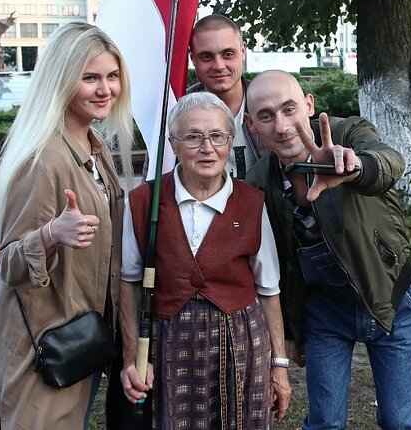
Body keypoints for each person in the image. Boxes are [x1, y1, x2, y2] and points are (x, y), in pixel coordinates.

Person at [0, 22, 134, 429]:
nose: (105, 89)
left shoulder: (95, 147)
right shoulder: (45, 159)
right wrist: (49, 235)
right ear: (62, 81)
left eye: (112, 76)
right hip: (39, 348)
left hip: (79, 339)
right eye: (90, 78)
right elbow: (8, 262)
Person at [244, 70, 411, 430]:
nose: (281, 126)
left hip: (389, 296)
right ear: (251, 125)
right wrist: (291, 333)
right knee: (325, 422)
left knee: (398, 420)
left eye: (289, 109)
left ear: (309, 105)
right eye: (266, 116)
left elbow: (389, 162)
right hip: (324, 312)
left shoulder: (347, 134)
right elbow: (280, 268)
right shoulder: (258, 182)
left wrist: (354, 167)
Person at [117, 91, 291, 428]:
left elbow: (269, 290)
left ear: (229, 142)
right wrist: (131, 357)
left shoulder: (252, 203)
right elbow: (129, 283)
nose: (207, 147)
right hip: (171, 345)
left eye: (217, 136)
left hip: (242, 343)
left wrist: (279, 366)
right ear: (173, 144)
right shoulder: (143, 202)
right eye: (193, 137)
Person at [186, 14, 266, 180]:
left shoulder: (270, 105)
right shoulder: (177, 112)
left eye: (228, 54)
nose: (219, 66)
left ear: (243, 51)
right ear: (192, 58)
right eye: (206, 57)